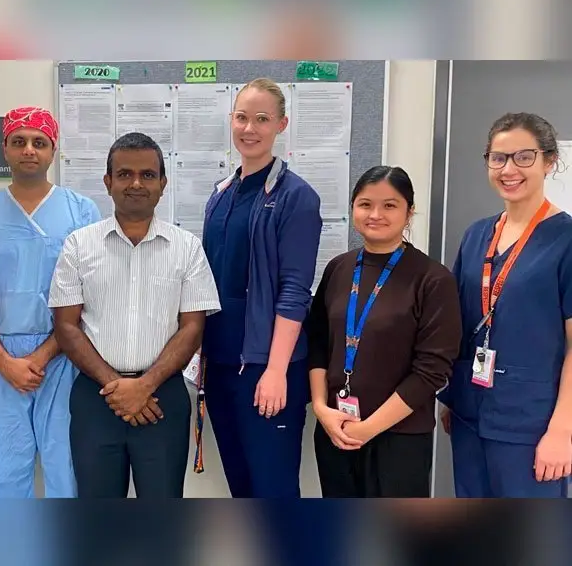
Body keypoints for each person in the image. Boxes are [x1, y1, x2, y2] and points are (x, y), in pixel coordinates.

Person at [49, 132, 221, 498]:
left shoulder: (187, 248)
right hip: (95, 397)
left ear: (163, 184)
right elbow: (66, 325)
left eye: (147, 174)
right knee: (99, 518)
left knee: (160, 515)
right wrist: (116, 386)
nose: (136, 183)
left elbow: (193, 328)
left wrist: (144, 386)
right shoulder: (79, 245)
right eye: (124, 174)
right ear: (108, 182)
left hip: (163, 398)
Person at [0, 106, 100, 498]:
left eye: (39, 142)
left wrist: (43, 355)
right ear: (3, 148)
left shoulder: (81, 211)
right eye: (19, 142)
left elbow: (88, 293)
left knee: (65, 464)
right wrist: (4, 360)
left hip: (64, 352)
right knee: (6, 468)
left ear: (53, 151)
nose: (29, 150)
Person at [198, 78, 322, 498]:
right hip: (221, 365)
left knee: (274, 489)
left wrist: (273, 370)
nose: (249, 128)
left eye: (262, 119)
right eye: (242, 117)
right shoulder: (220, 194)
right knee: (240, 486)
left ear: (281, 125)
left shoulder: (296, 197)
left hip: (268, 368)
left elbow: (295, 291)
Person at [306, 166, 462, 498]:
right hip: (335, 431)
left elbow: (432, 371)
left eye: (389, 205)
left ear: (409, 211)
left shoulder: (433, 279)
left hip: (399, 440)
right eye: (365, 204)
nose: (375, 214)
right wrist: (321, 408)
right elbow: (318, 343)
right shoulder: (339, 268)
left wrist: (367, 429)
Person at [439, 112, 572, 498]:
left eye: (523, 157)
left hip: (531, 424)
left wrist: (563, 430)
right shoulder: (477, 234)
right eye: (498, 158)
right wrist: (457, 395)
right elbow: (465, 323)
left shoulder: (564, 240)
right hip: (469, 413)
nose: (509, 169)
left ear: (550, 162)